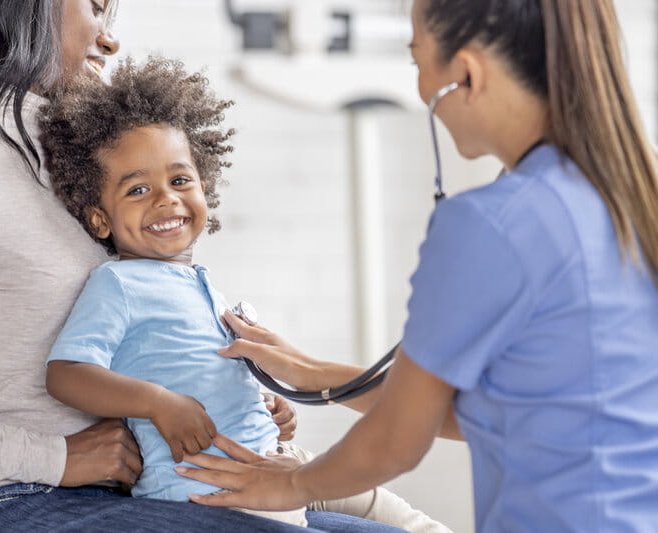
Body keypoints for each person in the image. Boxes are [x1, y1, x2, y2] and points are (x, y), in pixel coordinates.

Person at [0, 1, 401, 532]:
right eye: (95, 5)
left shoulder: (88, 157)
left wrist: (236, 401)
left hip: (138, 492)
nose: (110, 37)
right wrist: (52, 457)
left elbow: (143, 343)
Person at [176, 1, 658, 532]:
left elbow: (395, 443)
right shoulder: (629, 200)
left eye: (417, 61)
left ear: (466, 74)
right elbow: (498, 413)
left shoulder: (493, 223)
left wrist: (286, 484)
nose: (423, 89)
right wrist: (312, 375)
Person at [39, 57, 448, 532]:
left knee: (414, 523)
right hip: (207, 491)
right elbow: (66, 374)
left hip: (272, 462)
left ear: (204, 186)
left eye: (179, 180)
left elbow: (203, 370)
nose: (166, 199)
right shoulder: (119, 284)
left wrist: (267, 407)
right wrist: (156, 403)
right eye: (137, 190)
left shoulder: (203, 284)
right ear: (99, 219)